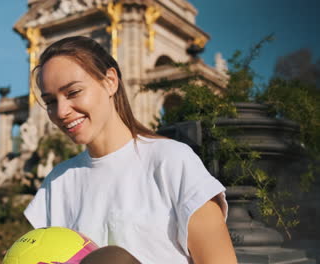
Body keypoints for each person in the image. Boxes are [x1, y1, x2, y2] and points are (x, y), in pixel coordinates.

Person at [24, 36, 238, 264]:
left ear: (110, 82)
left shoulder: (171, 161)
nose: (61, 111)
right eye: (50, 102)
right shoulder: (57, 183)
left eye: (73, 92)